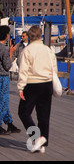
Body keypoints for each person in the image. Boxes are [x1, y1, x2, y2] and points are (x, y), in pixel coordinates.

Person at [17, 25, 56, 153]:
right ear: (41, 36)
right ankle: (43, 141)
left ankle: (37, 137)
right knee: (44, 115)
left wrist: (20, 87)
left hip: (32, 84)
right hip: (47, 83)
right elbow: (53, 67)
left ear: (29, 36)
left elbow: (23, 70)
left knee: (23, 112)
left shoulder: (27, 51)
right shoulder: (48, 50)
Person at [0, 25, 20, 135]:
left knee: (2, 100)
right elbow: (8, 66)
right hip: (2, 77)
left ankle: (9, 123)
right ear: (6, 35)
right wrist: (11, 52)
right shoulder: (3, 49)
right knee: (1, 101)